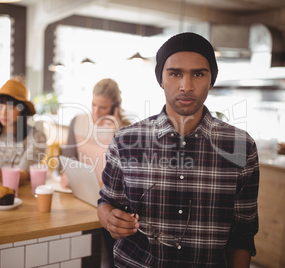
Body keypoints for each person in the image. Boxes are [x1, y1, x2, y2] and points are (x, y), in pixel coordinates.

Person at [97, 32, 259, 267]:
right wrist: (109, 219)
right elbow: (106, 202)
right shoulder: (126, 140)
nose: (186, 86)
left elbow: (243, 234)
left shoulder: (241, 146)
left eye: (198, 74)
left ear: (211, 80)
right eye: (175, 73)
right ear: (160, 79)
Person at [61, 78, 131, 268]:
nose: (95, 111)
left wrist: (118, 132)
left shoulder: (126, 128)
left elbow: (131, 171)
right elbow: (68, 158)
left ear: (114, 106)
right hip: (82, 196)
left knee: (110, 255)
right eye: (93, 104)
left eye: (102, 107)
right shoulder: (78, 121)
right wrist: (66, 173)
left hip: (112, 201)